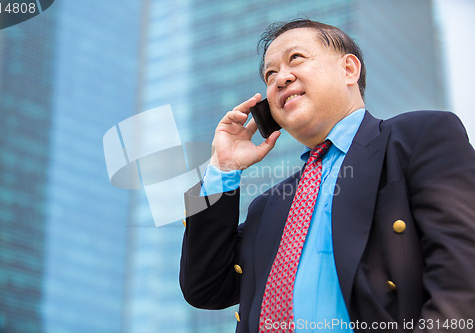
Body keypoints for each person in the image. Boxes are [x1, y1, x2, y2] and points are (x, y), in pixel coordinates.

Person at [179, 18, 475, 333]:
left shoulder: (417, 137)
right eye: (270, 74)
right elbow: (205, 286)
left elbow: (462, 269)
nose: (281, 78)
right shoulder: (267, 207)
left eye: (295, 59)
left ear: (349, 69)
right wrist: (222, 168)